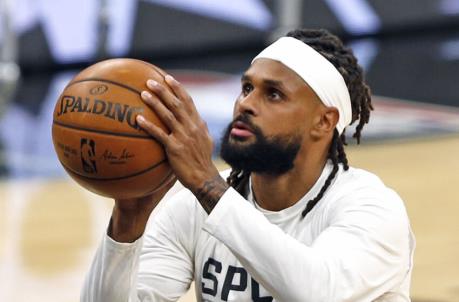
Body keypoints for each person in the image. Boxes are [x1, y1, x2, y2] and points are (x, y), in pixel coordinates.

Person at [81, 29, 415, 302]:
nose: (245, 104)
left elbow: (319, 293)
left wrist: (207, 184)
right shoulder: (192, 209)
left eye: (273, 95)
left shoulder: (371, 207)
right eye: (246, 88)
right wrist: (127, 223)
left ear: (324, 121)